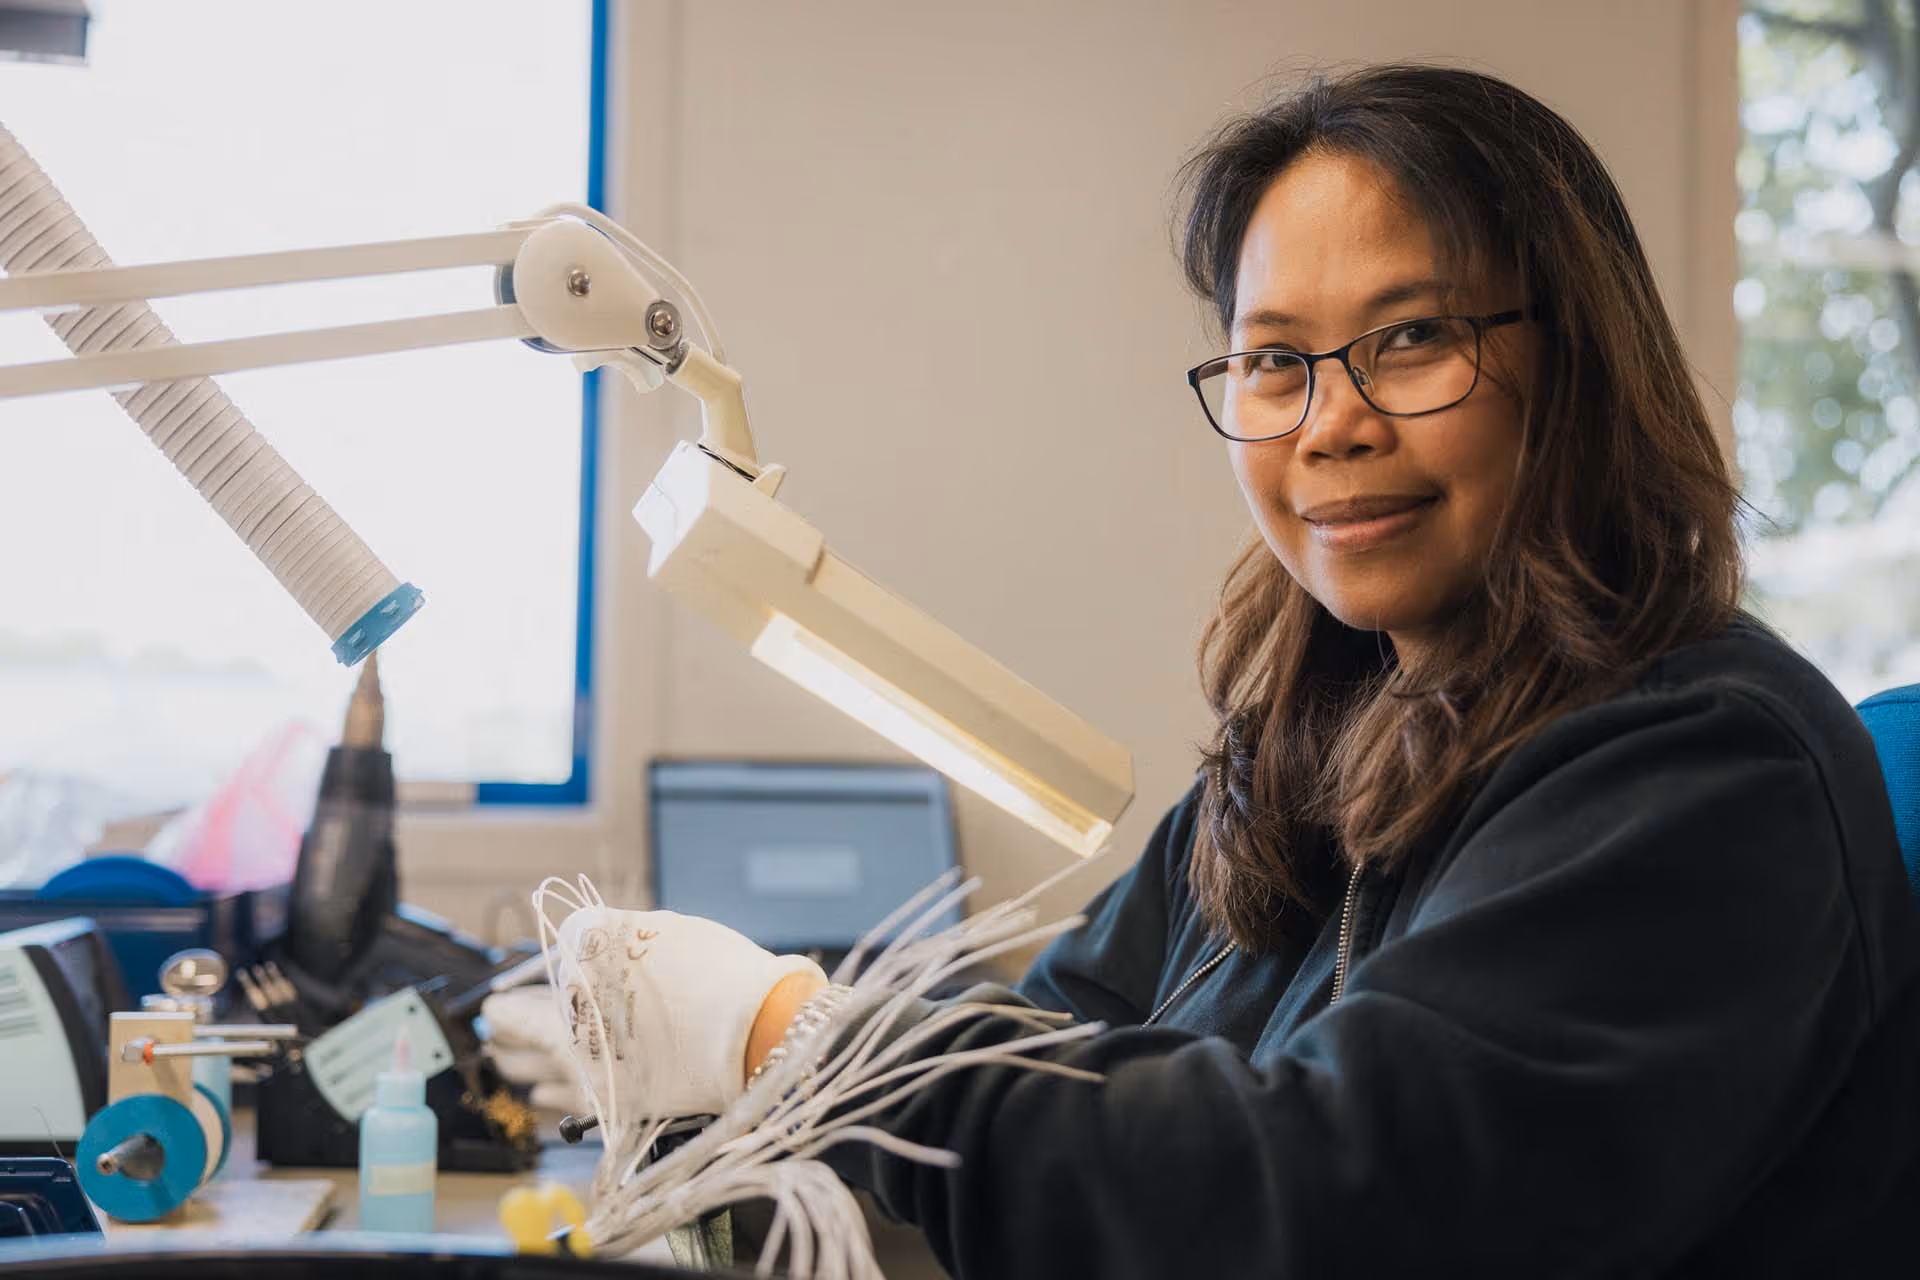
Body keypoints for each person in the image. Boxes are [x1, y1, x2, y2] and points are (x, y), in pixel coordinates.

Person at [567, 64, 1920, 1276]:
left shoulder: (1706, 772)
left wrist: (800, 1037)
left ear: (1575, 365)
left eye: (1411, 339)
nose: (1331, 423)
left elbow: (1321, 1203)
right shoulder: (1312, 748)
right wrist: (666, 1060)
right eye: (1275, 360)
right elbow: (1057, 1046)